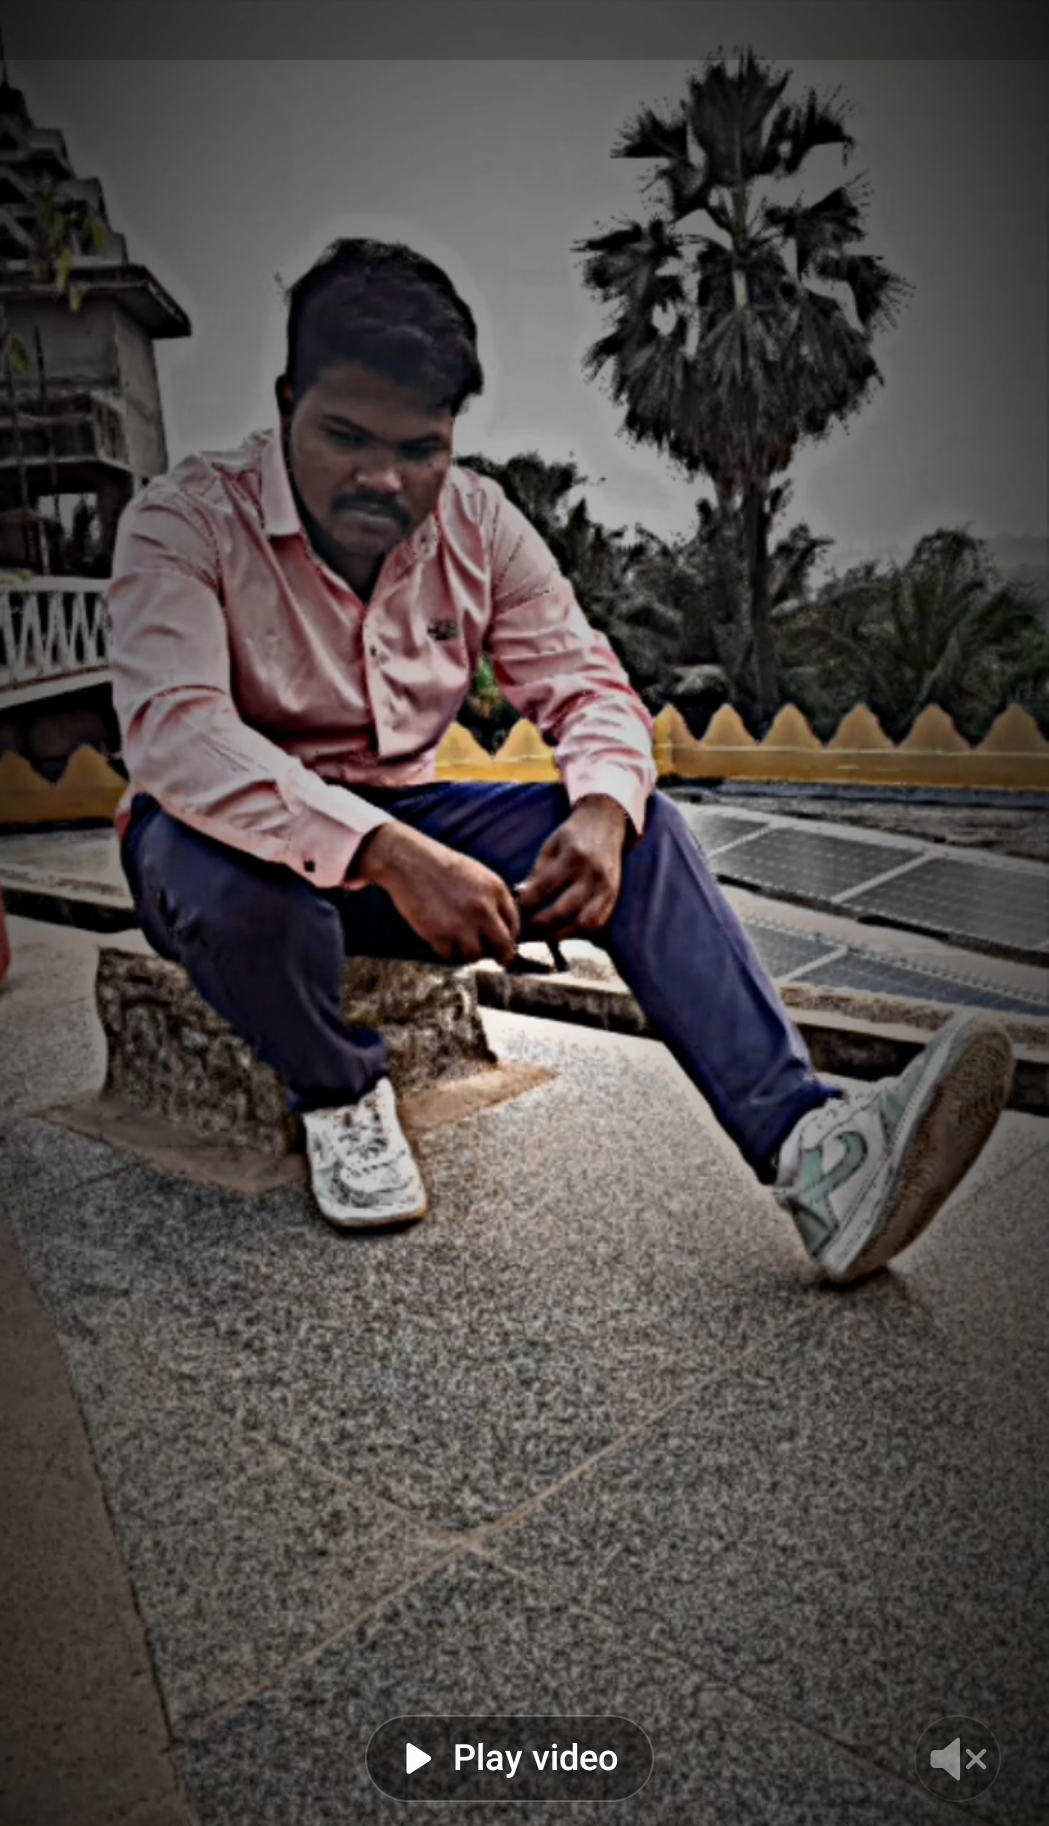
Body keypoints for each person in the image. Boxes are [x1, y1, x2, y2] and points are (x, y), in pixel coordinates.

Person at [107, 238, 1013, 1278]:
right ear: (285, 404)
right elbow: (177, 734)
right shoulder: (184, 521)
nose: (383, 479)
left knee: (646, 834)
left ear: (452, 436)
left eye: (419, 448)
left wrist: (600, 814)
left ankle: (811, 1148)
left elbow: (589, 688)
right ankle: (340, 1094)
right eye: (346, 437)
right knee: (249, 901)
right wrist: (390, 854)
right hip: (211, 843)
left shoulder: (480, 524)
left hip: (405, 823)